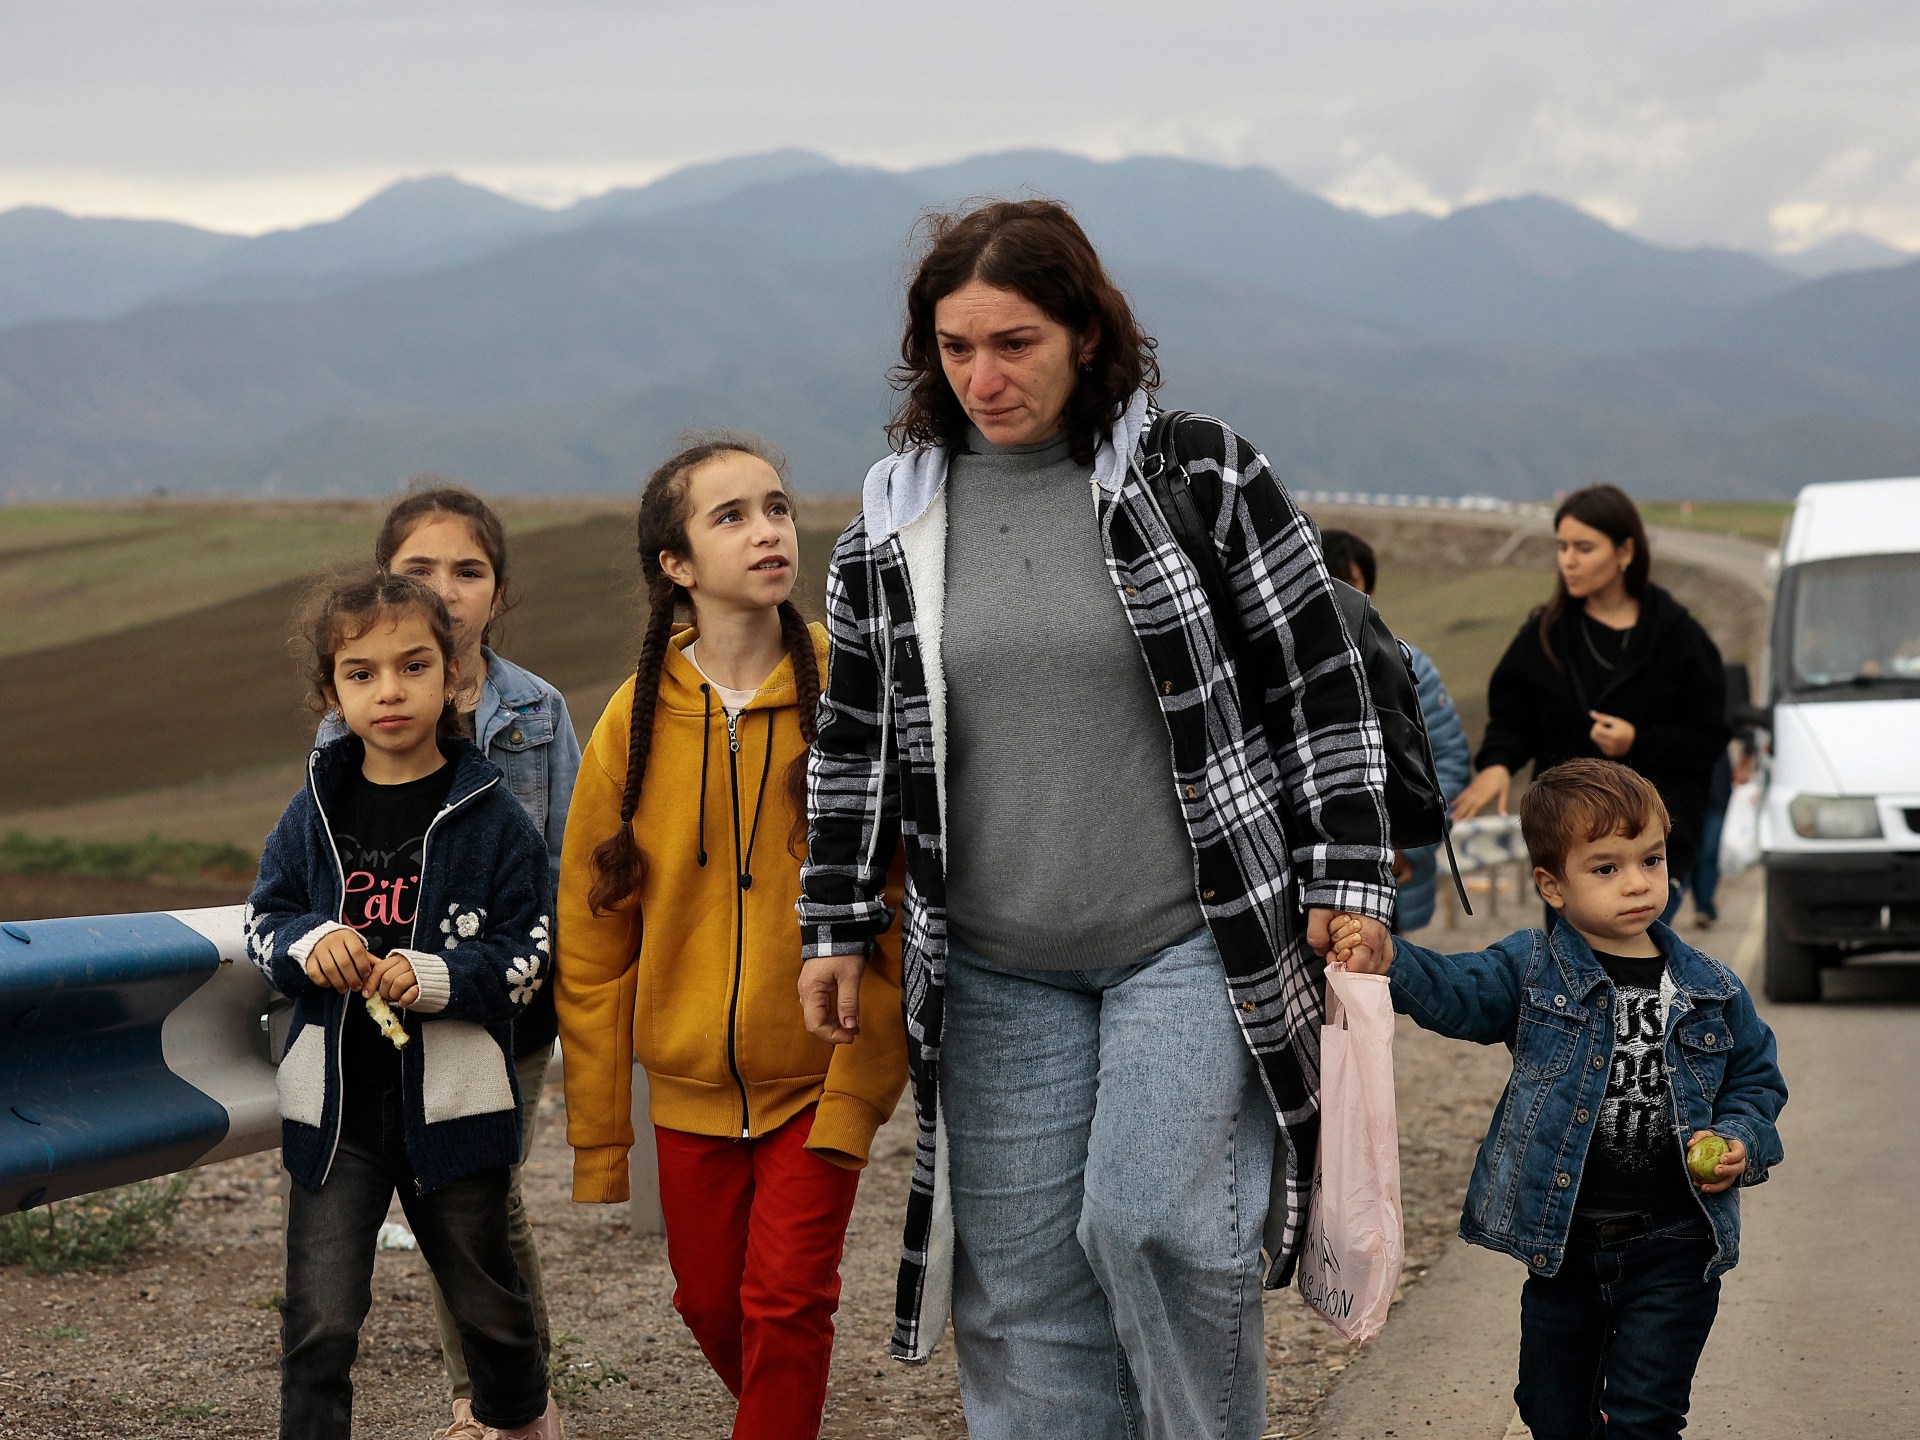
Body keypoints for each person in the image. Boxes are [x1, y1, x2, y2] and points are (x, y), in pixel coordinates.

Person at [795, 199, 1396, 1440]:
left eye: (1013, 343)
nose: (983, 376)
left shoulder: (1197, 474)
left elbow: (1317, 681)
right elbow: (852, 740)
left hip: (1189, 934)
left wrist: (1348, 871)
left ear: (1084, 332)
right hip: (1000, 963)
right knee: (1019, 1294)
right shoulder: (894, 524)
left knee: (1157, 1224)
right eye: (957, 348)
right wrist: (835, 922)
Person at [554, 436, 908, 1440]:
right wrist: (599, 1138)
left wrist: (865, 1081)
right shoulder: (634, 721)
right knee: (712, 1307)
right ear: (675, 566)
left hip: (821, 1074)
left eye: (778, 508)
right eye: (732, 516)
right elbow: (591, 942)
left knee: (787, 1303)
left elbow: (900, 907)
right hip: (686, 1094)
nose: (768, 531)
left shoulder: (856, 693)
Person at [1330, 758, 1786, 1440]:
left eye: (1650, 860)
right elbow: (1462, 991)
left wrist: (1742, 1139)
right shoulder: (1531, 967)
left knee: (1644, 1416)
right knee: (1549, 1407)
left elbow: (1756, 1080)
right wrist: (1392, 957)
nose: (1636, 882)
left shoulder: (1712, 987)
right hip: (1564, 1244)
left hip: (1676, 1241)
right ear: (1551, 884)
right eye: (1605, 868)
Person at [246, 570, 560, 1440]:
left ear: (454, 677)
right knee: (320, 1323)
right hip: (335, 1112)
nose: (389, 690)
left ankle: (521, 1422)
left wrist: (436, 978)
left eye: (413, 666)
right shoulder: (312, 809)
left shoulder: (495, 819)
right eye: (361, 673)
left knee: (490, 1312)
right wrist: (313, 942)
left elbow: (533, 956)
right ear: (330, 691)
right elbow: (265, 921)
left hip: (454, 1106)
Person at [316, 480, 578, 1440]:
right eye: (419, 568)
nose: (448, 587)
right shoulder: (352, 713)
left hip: (502, 1005)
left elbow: (566, 867)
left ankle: (510, 1406)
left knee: (485, 1199)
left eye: (469, 570)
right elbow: (325, 853)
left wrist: (557, 990)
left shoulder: (537, 712)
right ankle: (501, 1400)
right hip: (385, 1014)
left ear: (498, 593)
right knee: (443, 1202)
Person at [1453, 484, 1729, 925]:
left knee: (1632, 972)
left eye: (1583, 547)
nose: (1568, 560)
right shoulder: (1546, 635)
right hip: (1571, 849)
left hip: (1651, 850)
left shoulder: (1678, 638)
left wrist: (1639, 740)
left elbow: (1710, 736)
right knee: (1570, 980)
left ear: (1625, 552)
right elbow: (1513, 716)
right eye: (1562, 547)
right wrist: (1498, 763)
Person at [1320, 527, 1473, 931]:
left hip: (1395, 885)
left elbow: (1449, 764)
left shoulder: (1409, 667)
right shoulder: (1280, 672)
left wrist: (1408, 851)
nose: (1334, 593)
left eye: (1347, 581)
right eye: (1322, 577)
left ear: (1368, 587)